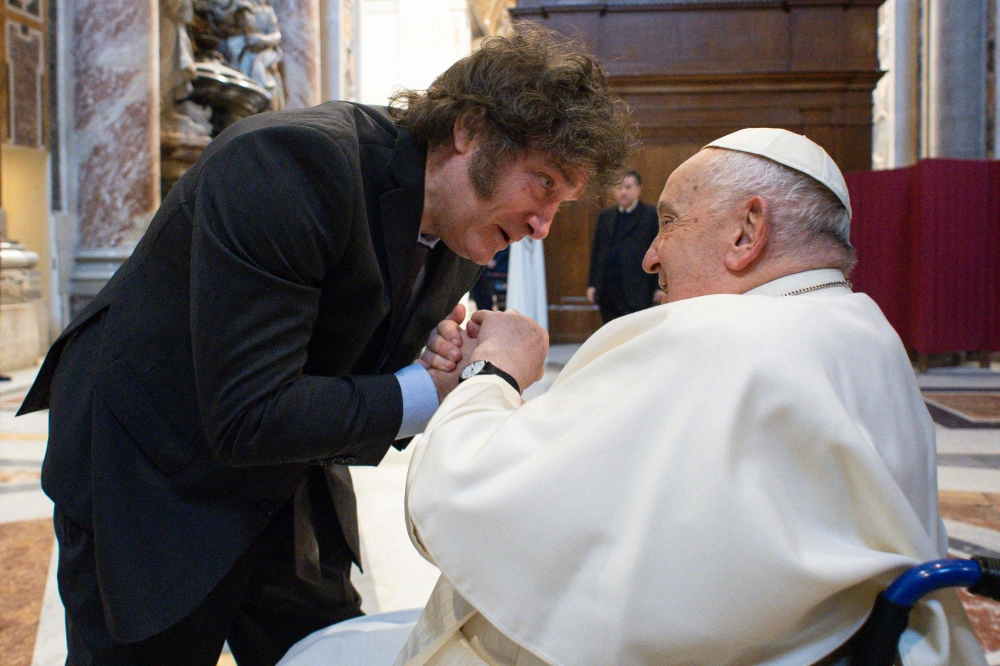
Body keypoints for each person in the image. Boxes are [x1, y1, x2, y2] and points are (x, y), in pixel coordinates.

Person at [16, 30, 632, 666]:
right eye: (543, 184)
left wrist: (430, 362)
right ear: (469, 130)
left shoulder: (465, 224)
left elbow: (346, 365)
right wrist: (443, 387)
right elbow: (248, 413)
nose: (543, 227)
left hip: (286, 472)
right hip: (151, 466)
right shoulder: (288, 166)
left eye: (561, 202)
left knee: (323, 648)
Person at [391, 129, 987, 665]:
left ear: (746, 231)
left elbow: (474, 499)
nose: (652, 255)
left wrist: (496, 372)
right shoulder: (866, 328)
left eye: (670, 222)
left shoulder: (716, 336)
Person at [586, 170, 661, 322]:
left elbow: (658, 252)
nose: (623, 192)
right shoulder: (606, 216)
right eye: (619, 188)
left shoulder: (650, 215)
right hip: (607, 287)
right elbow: (596, 252)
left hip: (638, 287)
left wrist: (658, 286)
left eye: (628, 187)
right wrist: (592, 284)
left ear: (638, 190)